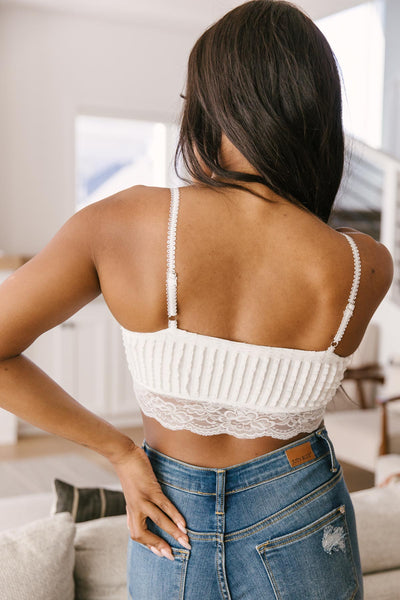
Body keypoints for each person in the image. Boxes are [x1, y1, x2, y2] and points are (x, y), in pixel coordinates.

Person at [0, 0, 393, 598]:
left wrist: (120, 452)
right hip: (306, 513)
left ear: (206, 105)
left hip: (166, 516)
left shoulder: (122, 223)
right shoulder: (365, 263)